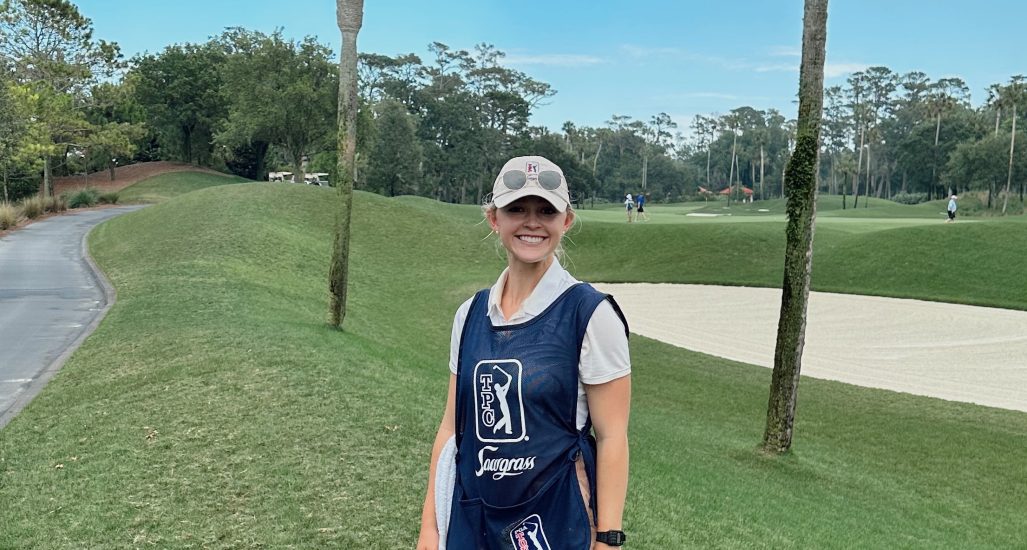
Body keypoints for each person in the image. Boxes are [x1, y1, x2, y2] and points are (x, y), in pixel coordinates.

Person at [417, 156, 632, 550]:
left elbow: (612, 436)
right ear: (494, 219)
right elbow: (451, 430)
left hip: (552, 523)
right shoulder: (469, 315)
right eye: (517, 209)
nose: (531, 222)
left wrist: (608, 540)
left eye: (546, 211)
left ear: (565, 221)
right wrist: (430, 530)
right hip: (472, 518)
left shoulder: (590, 314)